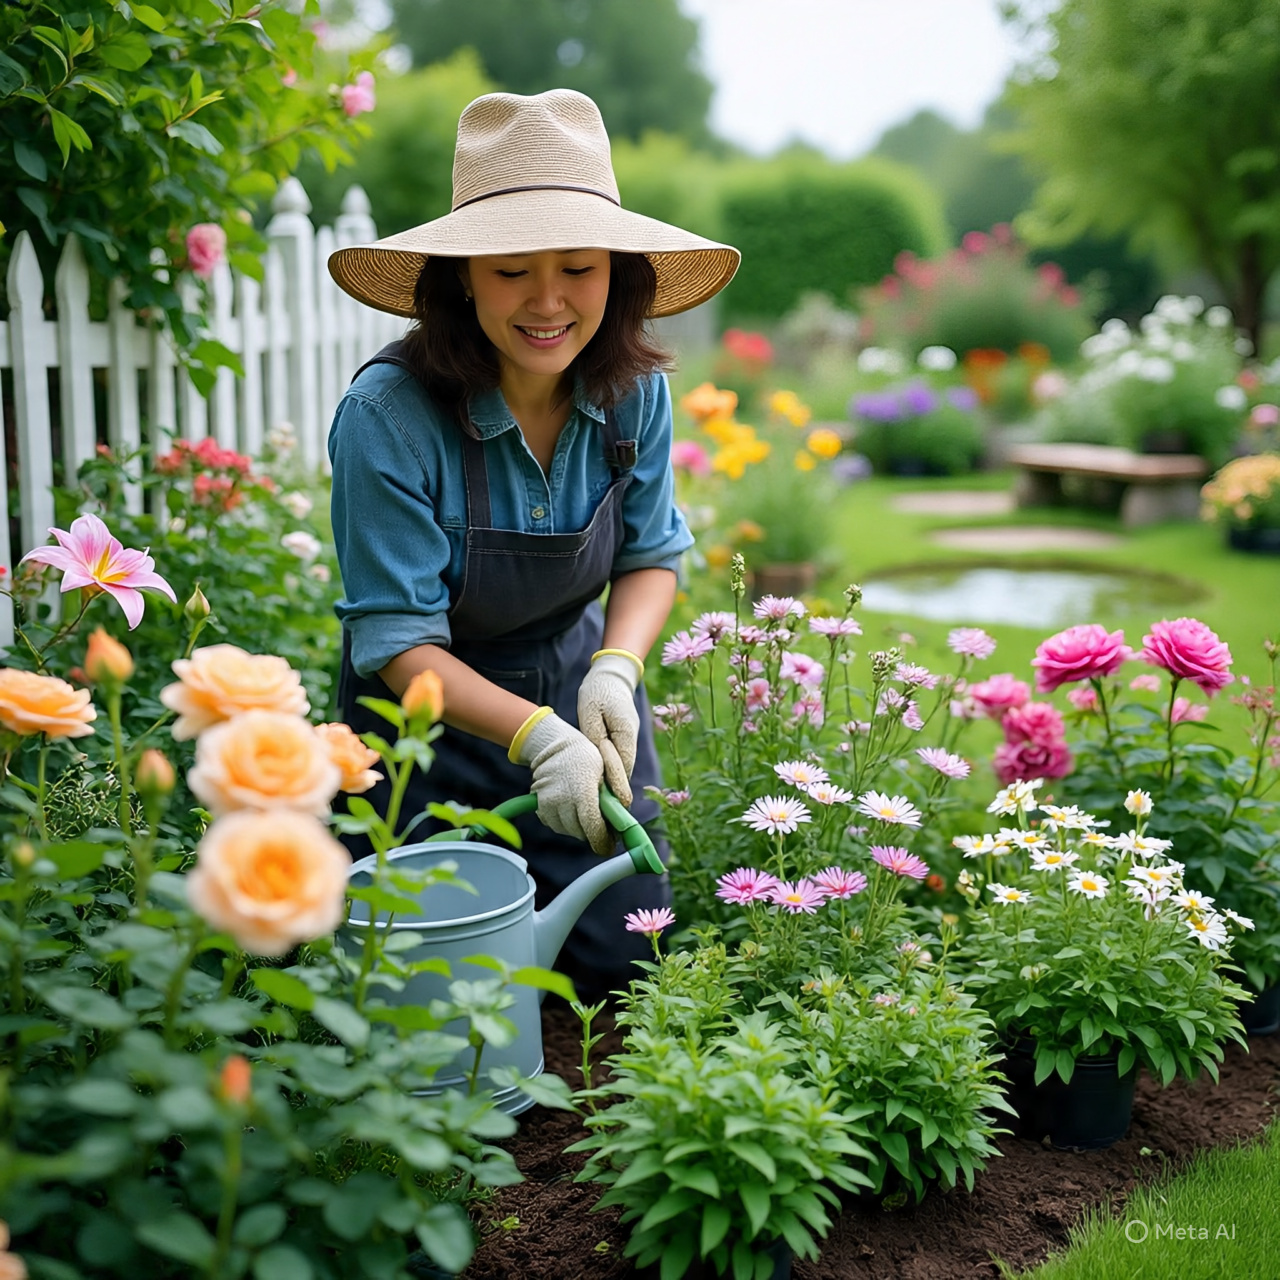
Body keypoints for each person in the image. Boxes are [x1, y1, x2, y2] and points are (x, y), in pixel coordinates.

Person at [325, 88, 740, 994]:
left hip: (573, 685)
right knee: (421, 988)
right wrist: (539, 741)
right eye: (511, 271)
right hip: (414, 733)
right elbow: (397, 643)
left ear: (620, 274)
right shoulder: (387, 417)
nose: (548, 300)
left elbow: (649, 556)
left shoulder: (635, 393)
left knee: (628, 963)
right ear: (459, 279)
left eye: (579, 268)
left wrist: (616, 670)